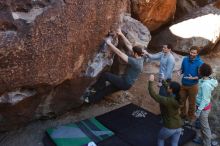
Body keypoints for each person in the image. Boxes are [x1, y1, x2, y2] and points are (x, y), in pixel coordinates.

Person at [84, 28, 145, 103]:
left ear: (136, 54)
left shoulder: (136, 62)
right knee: (107, 90)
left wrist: (109, 43)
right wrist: (121, 33)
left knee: (105, 75)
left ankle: (95, 89)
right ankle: (90, 100)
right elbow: (129, 45)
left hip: (124, 82)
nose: (132, 52)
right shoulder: (141, 56)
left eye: (133, 52)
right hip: (126, 84)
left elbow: (120, 53)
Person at [148, 74, 182, 146]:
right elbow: (168, 88)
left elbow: (153, 94)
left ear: (171, 90)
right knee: (174, 143)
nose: (168, 87)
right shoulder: (177, 97)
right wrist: (163, 80)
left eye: (169, 87)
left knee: (161, 139)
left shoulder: (167, 101)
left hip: (169, 127)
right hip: (179, 126)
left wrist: (150, 81)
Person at [193, 63, 218, 146]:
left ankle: (207, 143)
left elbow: (204, 99)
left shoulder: (205, 85)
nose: (198, 70)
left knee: (205, 127)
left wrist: (198, 111)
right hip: (202, 107)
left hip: (203, 109)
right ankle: (203, 140)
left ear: (201, 72)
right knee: (203, 126)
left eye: (199, 69)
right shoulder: (205, 80)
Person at [179, 46, 204, 123]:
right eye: (191, 52)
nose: (192, 54)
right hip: (184, 84)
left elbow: (202, 75)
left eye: (194, 53)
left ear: (197, 53)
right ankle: (182, 115)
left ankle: (190, 118)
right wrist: (180, 72)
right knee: (181, 101)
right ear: (189, 51)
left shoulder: (200, 63)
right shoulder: (185, 59)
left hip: (193, 86)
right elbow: (182, 69)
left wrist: (194, 78)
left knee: (192, 103)